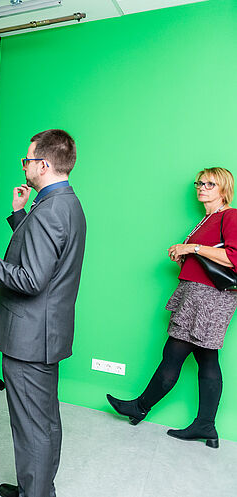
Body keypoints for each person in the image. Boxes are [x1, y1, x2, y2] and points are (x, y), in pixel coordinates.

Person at [0, 129, 86, 497]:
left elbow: (31, 278)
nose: (24, 165)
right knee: (43, 421)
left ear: (43, 165)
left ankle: (37, 493)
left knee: (32, 425)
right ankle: (38, 486)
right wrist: (19, 214)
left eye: (27, 160)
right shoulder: (64, 203)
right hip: (46, 333)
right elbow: (45, 253)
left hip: (30, 338)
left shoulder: (51, 211)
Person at [107, 167, 237, 449]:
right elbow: (206, 259)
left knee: (173, 354)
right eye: (199, 183)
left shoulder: (230, 215)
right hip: (198, 293)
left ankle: (140, 407)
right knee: (207, 358)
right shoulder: (207, 219)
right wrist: (185, 256)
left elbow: (232, 257)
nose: (201, 187)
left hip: (208, 299)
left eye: (209, 183)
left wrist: (192, 249)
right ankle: (206, 425)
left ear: (224, 188)